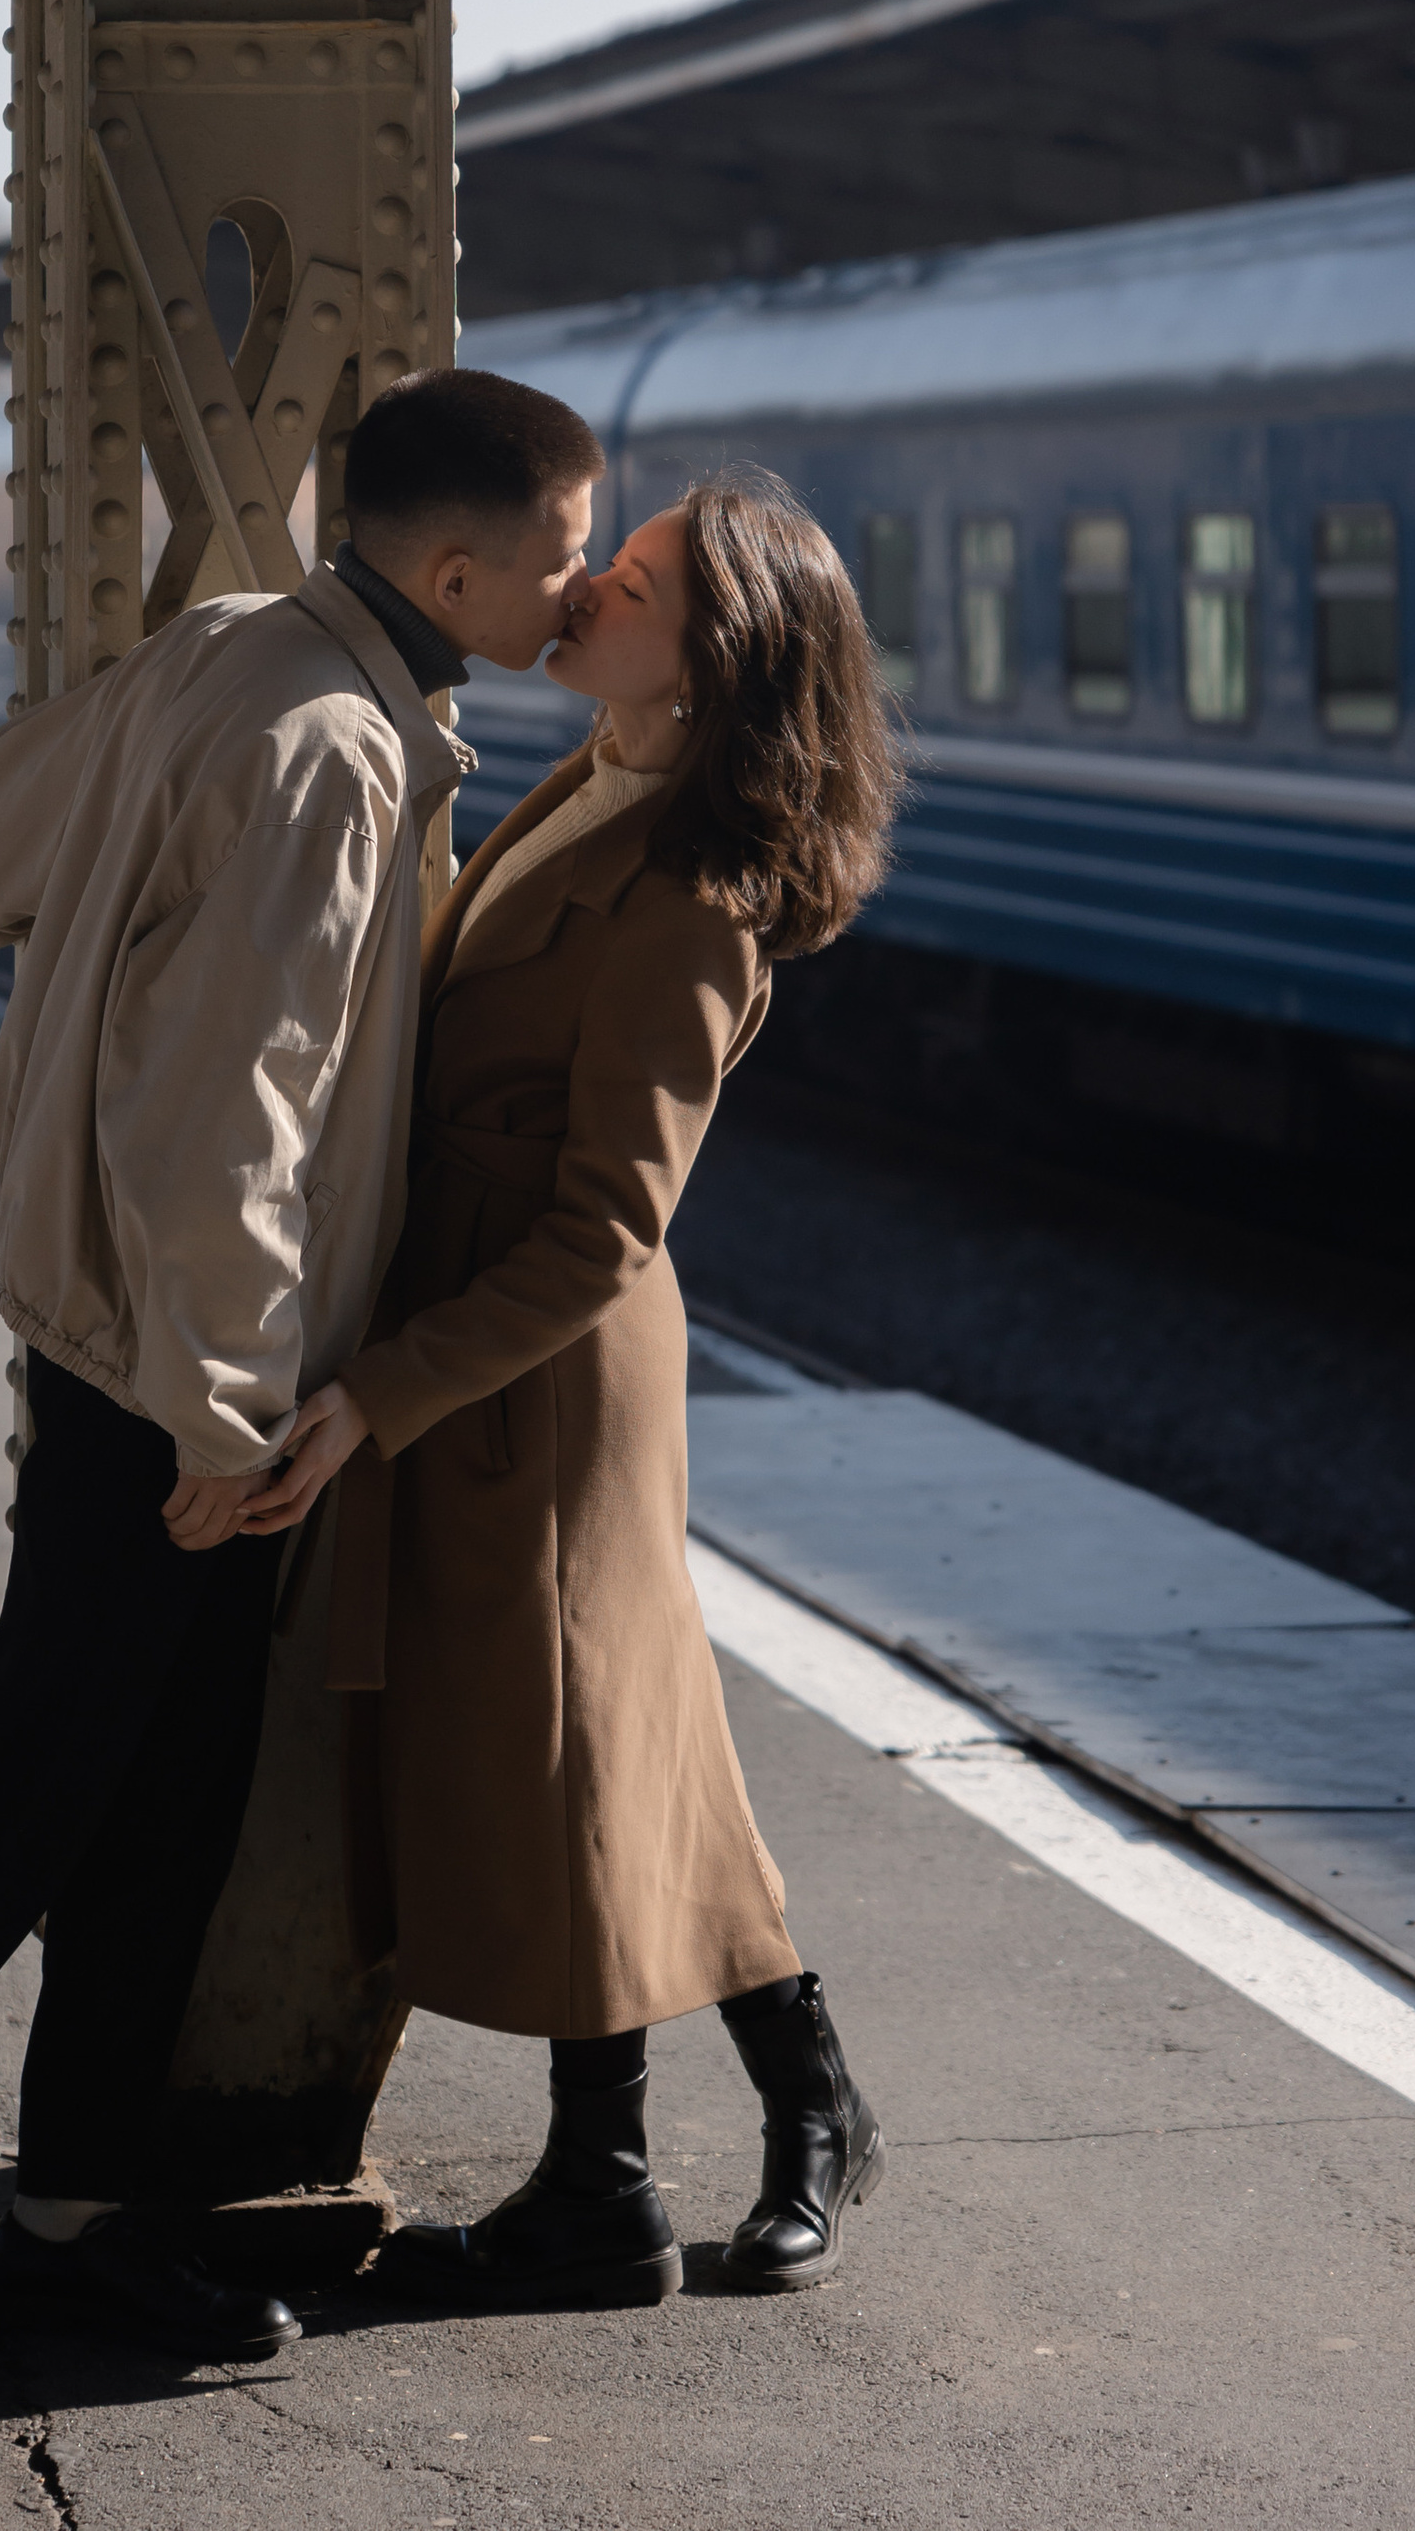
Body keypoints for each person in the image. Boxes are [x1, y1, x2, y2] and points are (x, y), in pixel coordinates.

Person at [0, 367, 604, 2352]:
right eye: (564, 561)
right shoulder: (329, 749)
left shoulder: (226, 656)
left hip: (112, 1346)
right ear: (461, 561)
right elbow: (223, 1117)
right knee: (48, 1786)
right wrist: (226, 1416)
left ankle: (67, 2214)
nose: (572, 602)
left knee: (140, 1795)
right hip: (179, 1383)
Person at [240, 466, 905, 2309]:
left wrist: (386, 1390)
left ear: (710, 660)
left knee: (571, 1747)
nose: (586, 589)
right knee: (615, 1738)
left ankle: (607, 2188)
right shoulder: (589, 781)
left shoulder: (691, 898)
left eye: (632, 581)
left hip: (535, 1359)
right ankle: (770, 2120)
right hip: (480, 1326)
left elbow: (610, 1229)